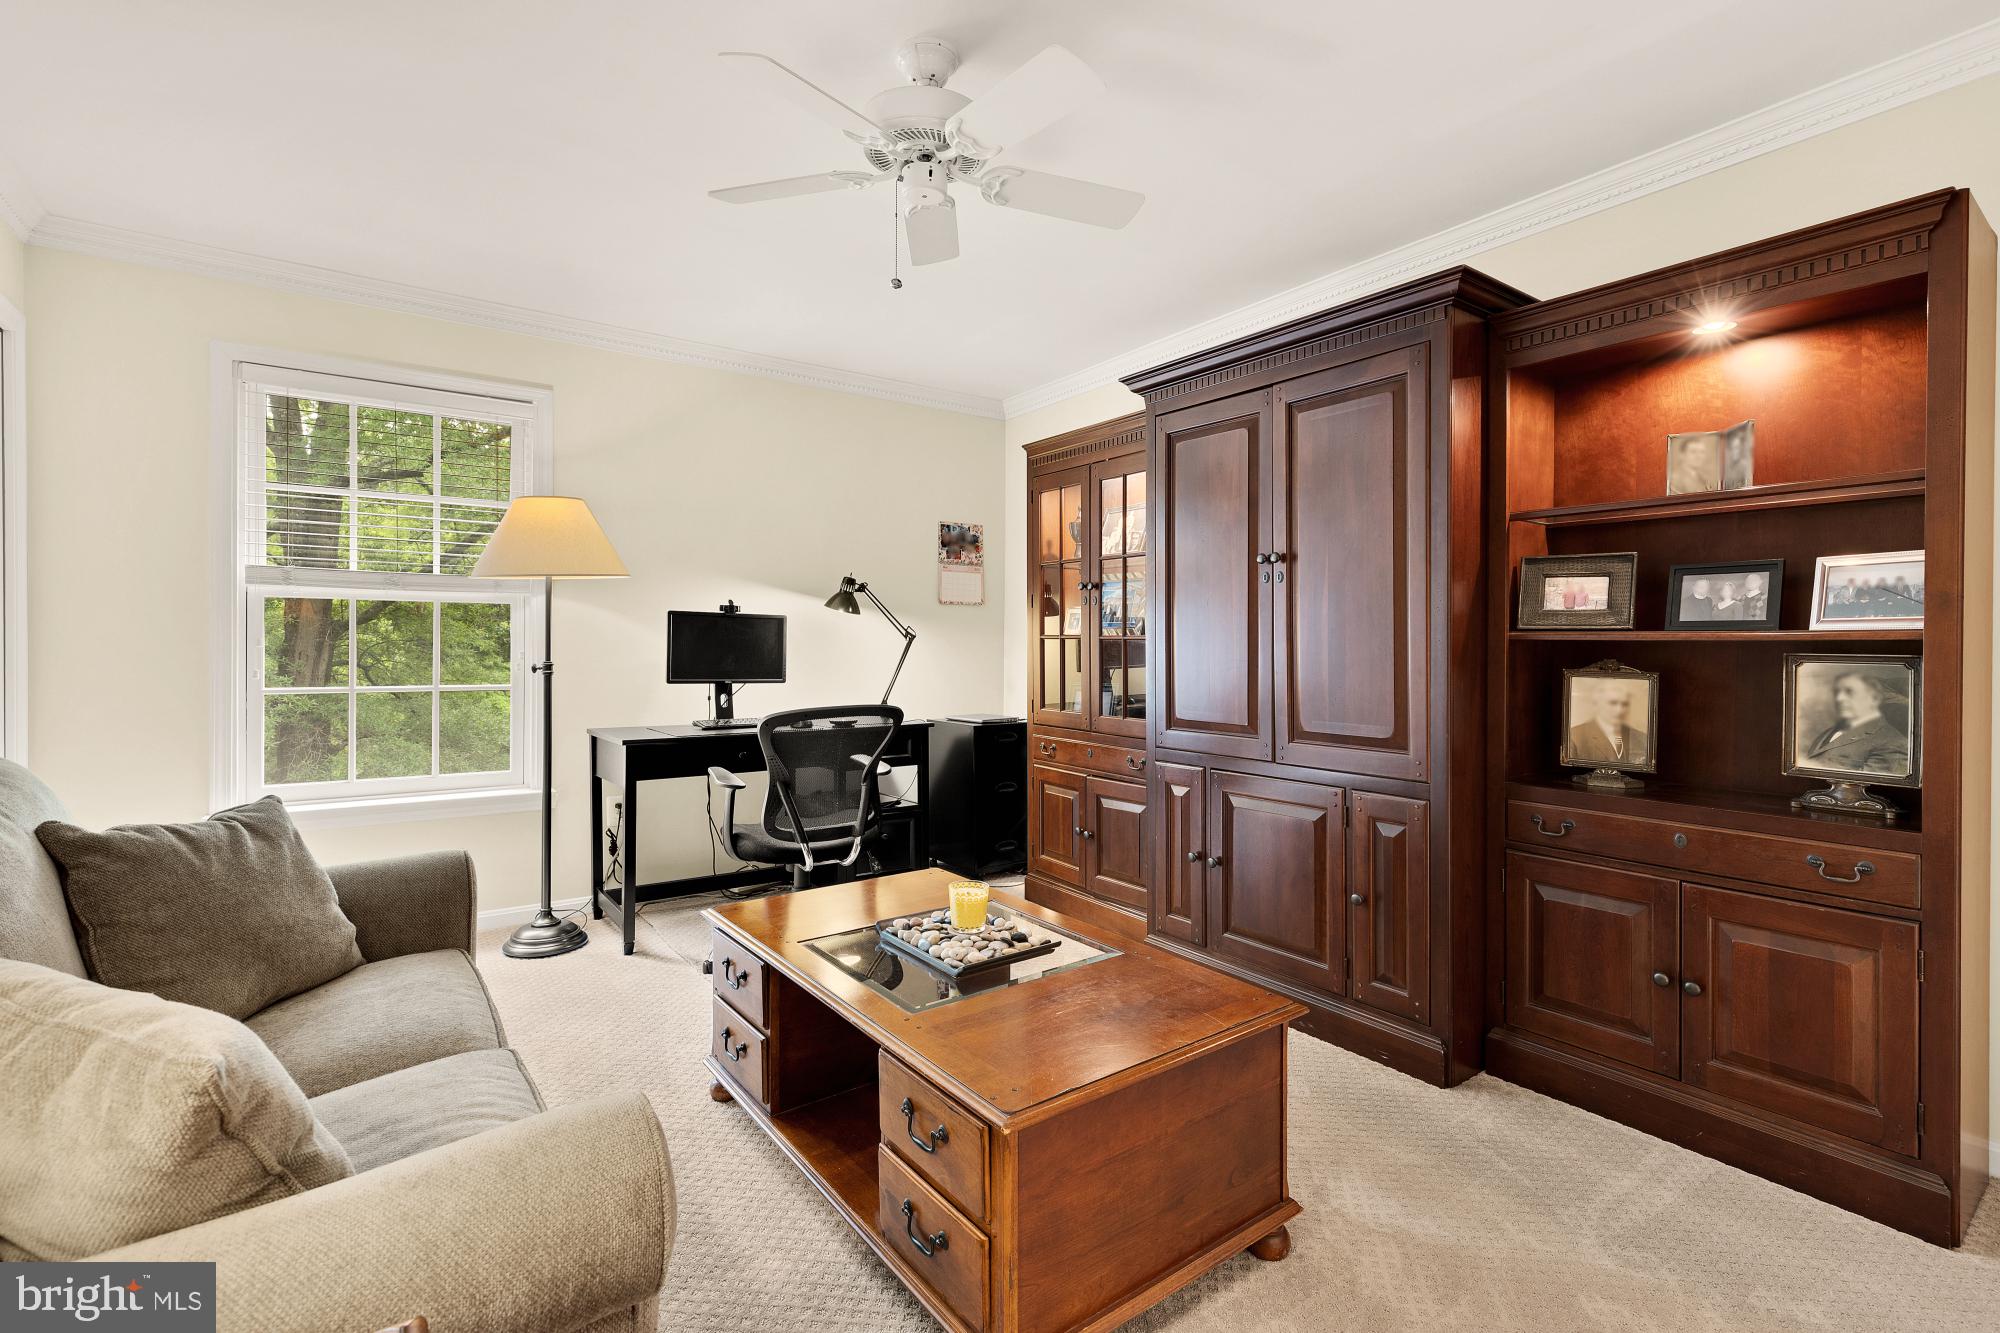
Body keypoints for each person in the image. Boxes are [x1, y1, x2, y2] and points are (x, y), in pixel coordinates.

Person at [1804, 670, 1909, 776]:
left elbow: (1871, 786)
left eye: (1850, 692)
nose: (1840, 698)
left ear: (1874, 698)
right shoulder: (1832, 731)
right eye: (1838, 692)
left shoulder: (1893, 743)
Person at [1567, 677, 1650, 766]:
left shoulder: (1641, 738)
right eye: (1613, 703)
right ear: (1597, 704)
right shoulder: (1575, 736)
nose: (1620, 710)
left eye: (1624, 704)